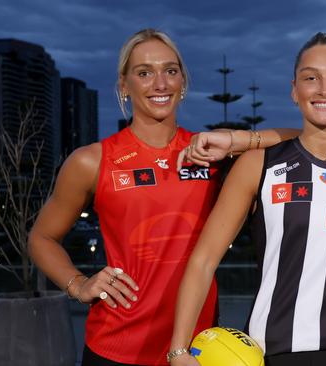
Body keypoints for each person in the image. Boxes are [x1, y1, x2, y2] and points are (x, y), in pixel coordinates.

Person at [169, 32, 326, 366]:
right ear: (294, 90)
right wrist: (179, 349)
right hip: (269, 352)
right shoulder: (258, 164)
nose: (325, 89)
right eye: (311, 78)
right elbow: (204, 261)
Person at [28, 29, 225, 366]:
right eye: (144, 72)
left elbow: (303, 139)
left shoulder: (213, 155)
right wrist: (78, 284)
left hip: (195, 350)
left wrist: (238, 139)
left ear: (183, 82)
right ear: (124, 85)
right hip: (117, 347)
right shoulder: (92, 160)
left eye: (170, 70)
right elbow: (41, 238)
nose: (160, 83)